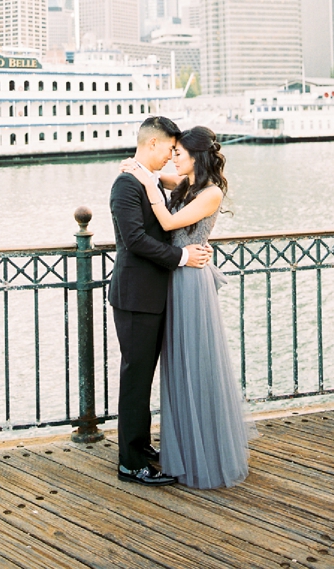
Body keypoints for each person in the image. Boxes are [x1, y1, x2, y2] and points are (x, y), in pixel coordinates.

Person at [122, 125, 252, 488]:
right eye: (172, 150)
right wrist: (139, 170)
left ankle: (204, 451)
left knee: (196, 363)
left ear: (196, 156)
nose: (173, 156)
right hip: (175, 278)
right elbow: (155, 172)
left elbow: (167, 221)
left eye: (179, 152)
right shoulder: (184, 184)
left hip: (192, 281)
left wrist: (148, 185)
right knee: (178, 365)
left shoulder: (210, 193)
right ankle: (181, 446)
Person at [107, 115, 211, 486]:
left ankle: (140, 445)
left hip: (154, 293)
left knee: (146, 376)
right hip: (136, 295)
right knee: (135, 379)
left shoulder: (148, 180)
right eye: (169, 147)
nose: (171, 155)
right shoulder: (126, 185)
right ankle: (129, 462)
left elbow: (185, 190)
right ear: (153, 144)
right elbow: (134, 240)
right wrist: (183, 258)